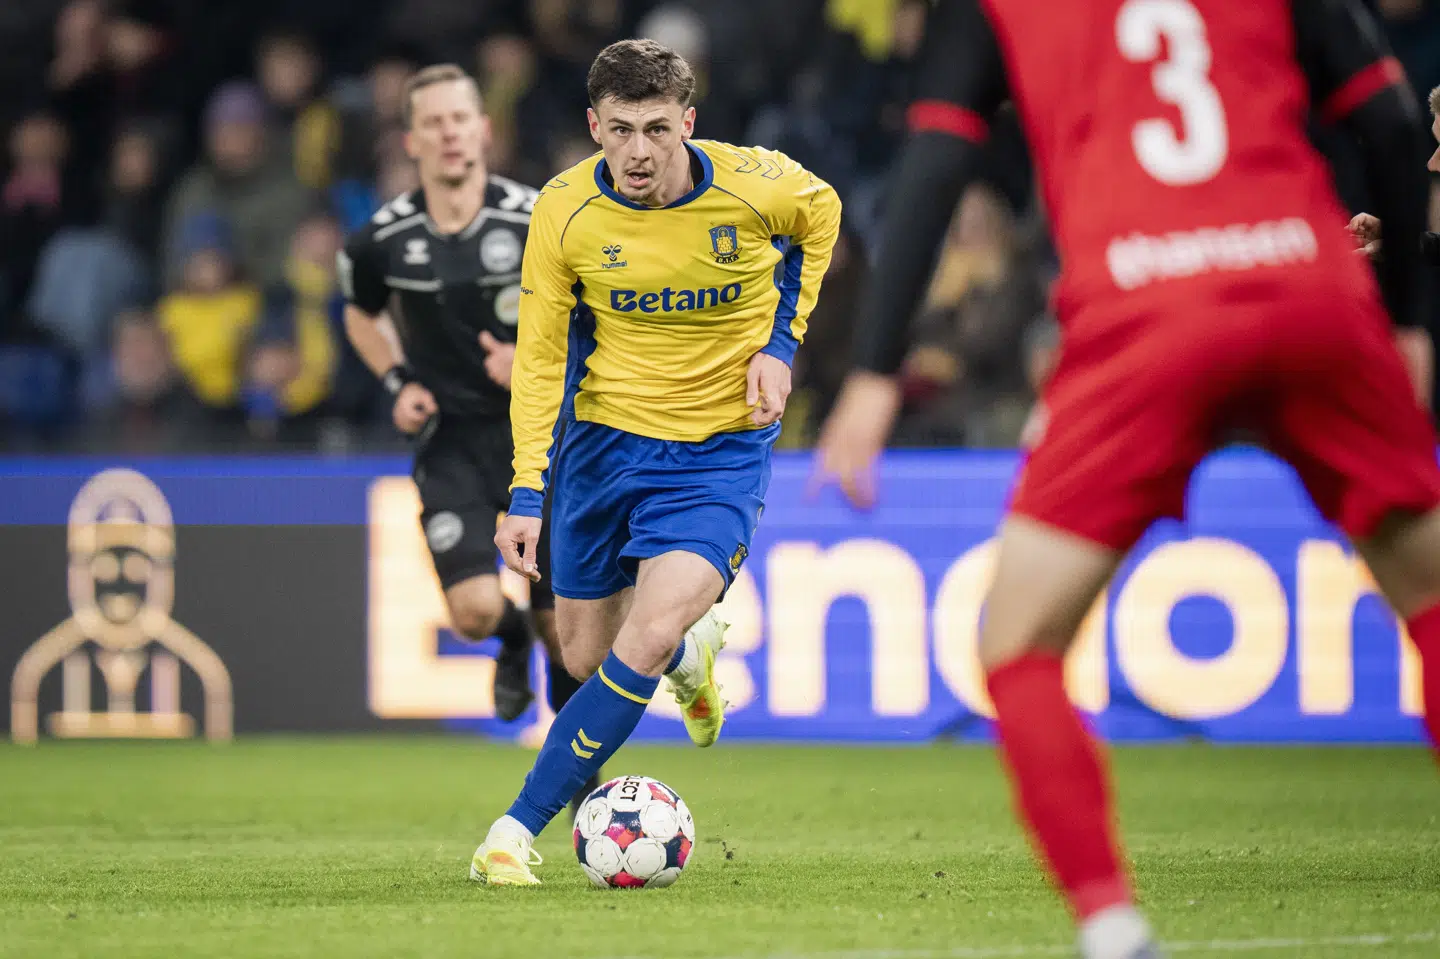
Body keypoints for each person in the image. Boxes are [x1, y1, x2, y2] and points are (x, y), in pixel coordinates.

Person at [812, 1, 1439, 957]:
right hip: (1310, 286)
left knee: (1015, 643)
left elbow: (934, 166)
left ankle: (1112, 925)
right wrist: (1407, 321)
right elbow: (1392, 126)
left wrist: (871, 374)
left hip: (1144, 311)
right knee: (1430, 601)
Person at [470, 38, 841, 886]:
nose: (639, 151)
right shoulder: (564, 212)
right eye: (622, 130)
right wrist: (526, 489)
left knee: (645, 631)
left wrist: (782, 343)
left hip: (718, 450)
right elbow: (540, 358)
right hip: (603, 445)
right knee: (582, 656)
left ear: (689, 123)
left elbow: (822, 216)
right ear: (593, 126)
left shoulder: (759, 186)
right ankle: (689, 654)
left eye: (658, 129)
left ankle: (512, 830)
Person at [338, 65, 565, 739]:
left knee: (569, 634)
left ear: (484, 130)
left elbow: (590, 316)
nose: (449, 134)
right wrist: (397, 381)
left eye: (460, 119)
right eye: (433, 123)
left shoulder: (537, 218)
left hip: (540, 437)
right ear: (411, 141)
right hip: (450, 439)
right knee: (472, 613)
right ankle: (511, 636)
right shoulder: (382, 238)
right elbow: (360, 313)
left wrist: (529, 362)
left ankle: (583, 776)